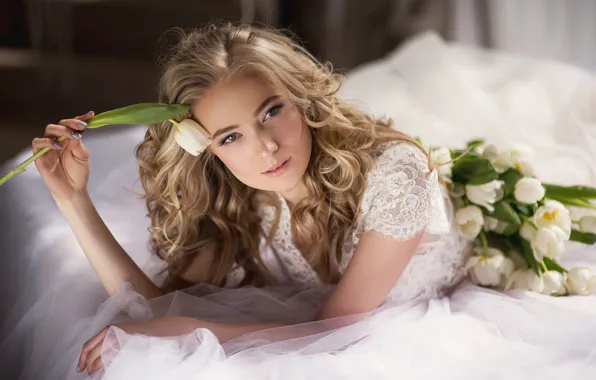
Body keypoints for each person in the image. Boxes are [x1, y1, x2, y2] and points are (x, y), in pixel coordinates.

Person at [11, 23, 596, 379]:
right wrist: (74, 202)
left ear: (302, 101)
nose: (265, 147)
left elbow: (338, 328)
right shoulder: (245, 200)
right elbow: (155, 309)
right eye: (231, 136)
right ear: (209, 152)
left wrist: (192, 329)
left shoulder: (397, 176)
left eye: (272, 111)